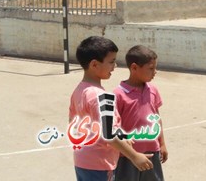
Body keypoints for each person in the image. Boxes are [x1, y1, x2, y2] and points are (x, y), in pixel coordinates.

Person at [69, 36, 154, 181]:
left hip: (82, 160)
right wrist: (134, 156)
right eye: (111, 62)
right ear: (94, 64)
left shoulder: (79, 91)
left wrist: (121, 136)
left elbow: (77, 124)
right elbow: (108, 134)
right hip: (99, 164)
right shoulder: (101, 96)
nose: (115, 67)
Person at [113, 45, 167, 181]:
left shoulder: (153, 90)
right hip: (128, 155)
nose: (155, 72)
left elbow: (157, 118)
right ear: (134, 68)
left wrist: (162, 143)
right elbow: (113, 128)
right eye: (151, 68)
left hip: (152, 152)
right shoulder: (118, 94)